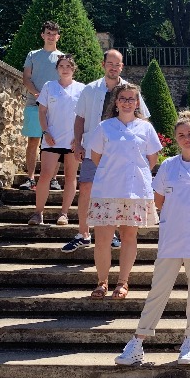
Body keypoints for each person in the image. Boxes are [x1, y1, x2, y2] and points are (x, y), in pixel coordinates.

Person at [115, 111, 190, 365]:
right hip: (171, 239)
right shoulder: (168, 167)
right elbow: (158, 202)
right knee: (158, 290)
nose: (187, 138)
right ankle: (138, 341)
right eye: (181, 135)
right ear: (176, 139)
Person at [62, 49, 150, 255]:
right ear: (103, 65)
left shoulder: (130, 91)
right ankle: (83, 234)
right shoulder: (90, 89)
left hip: (122, 153)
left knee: (119, 193)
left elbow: (143, 118)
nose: (113, 68)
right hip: (94, 149)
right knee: (86, 187)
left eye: (117, 64)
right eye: (110, 63)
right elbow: (80, 118)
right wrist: (78, 143)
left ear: (122, 67)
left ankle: (114, 235)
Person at [85, 83, 161, 299]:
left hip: (134, 190)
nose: (127, 102)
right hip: (107, 190)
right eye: (123, 98)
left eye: (131, 99)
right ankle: (102, 282)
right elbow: (96, 156)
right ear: (116, 102)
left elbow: (152, 159)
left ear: (137, 103)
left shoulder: (146, 128)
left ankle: (122, 282)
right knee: (102, 240)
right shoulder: (104, 127)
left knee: (129, 237)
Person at [27, 54, 85, 226]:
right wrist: (45, 132)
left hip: (72, 141)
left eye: (68, 66)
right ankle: (38, 213)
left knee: (70, 176)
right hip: (51, 139)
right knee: (45, 175)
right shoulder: (49, 86)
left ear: (73, 69)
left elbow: (85, 116)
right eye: (61, 66)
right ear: (57, 69)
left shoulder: (81, 89)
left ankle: (64, 214)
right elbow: (42, 111)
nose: (65, 69)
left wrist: (79, 138)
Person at [20, 20, 64, 192]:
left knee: (55, 143)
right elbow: (26, 78)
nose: (51, 37)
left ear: (58, 37)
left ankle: (53, 179)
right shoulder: (33, 55)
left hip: (55, 107)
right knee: (33, 141)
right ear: (42, 35)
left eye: (54, 34)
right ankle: (30, 179)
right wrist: (38, 95)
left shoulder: (62, 58)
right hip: (34, 103)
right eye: (48, 33)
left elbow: (65, 81)